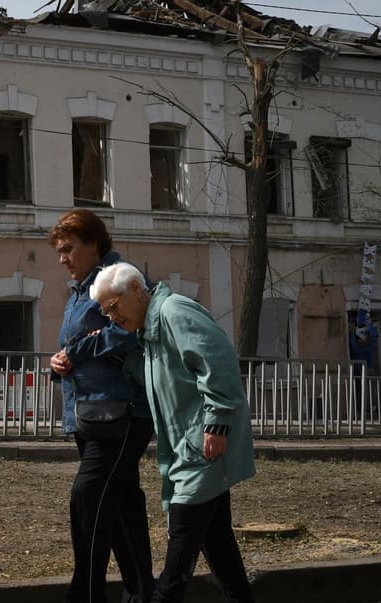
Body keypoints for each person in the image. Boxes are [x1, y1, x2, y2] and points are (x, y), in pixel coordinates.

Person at [90, 262, 256, 603]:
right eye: (106, 312)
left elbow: (218, 360)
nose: (112, 317)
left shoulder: (173, 312)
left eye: (114, 307)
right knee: (218, 545)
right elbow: (165, 377)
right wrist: (120, 359)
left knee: (178, 560)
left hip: (201, 450)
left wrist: (217, 422)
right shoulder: (150, 331)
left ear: (136, 289)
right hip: (191, 450)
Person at [48, 209, 156, 603]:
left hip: (122, 412)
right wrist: (58, 361)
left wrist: (76, 351)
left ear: (93, 243)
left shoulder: (119, 279)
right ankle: (142, 593)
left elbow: (129, 328)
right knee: (122, 505)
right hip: (91, 414)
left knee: (88, 498)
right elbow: (75, 346)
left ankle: (87, 594)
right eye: (60, 252)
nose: (63, 259)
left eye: (68, 249)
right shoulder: (79, 290)